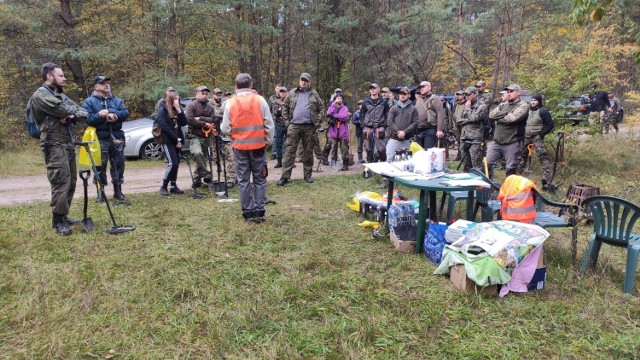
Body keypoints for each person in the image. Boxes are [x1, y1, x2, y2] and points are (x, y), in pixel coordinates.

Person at [30, 62, 88, 235]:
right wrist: (67, 113)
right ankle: (57, 221)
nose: (64, 78)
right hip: (53, 143)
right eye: (61, 75)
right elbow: (61, 108)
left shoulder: (60, 95)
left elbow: (83, 112)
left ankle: (64, 215)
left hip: (67, 143)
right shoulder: (40, 96)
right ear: (49, 76)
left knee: (71, 181)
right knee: (60, 181)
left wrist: (69, 115)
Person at [221, 73, 274, 223]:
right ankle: (259, 211)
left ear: (236, 87)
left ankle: (248, 212)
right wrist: (267, 141)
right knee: (259, 179)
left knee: (243, 180)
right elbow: (269, 124)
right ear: (251, 86)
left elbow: (225, 128)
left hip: (240, 147)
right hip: (258, 146)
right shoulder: (260, 100)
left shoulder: (230, 103)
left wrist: (234, 136)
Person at [83, 75, 130, 206]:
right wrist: (100, 115)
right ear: (96, 86)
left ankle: (118, 191)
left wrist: (113, 113)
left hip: (117, 137)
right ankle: (101, 192)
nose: (106, 85)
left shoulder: (117, 100)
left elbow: (125, 113)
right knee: (99, 166)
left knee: (119, 164)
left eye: (107, 82)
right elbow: (87, 119)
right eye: (102, 83)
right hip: (99, 138)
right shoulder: (89, 102)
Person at [277, 72, 324, 186]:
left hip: (309, 126)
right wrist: (288, 122)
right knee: (289, 151)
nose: (303, 82)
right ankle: (285, 176)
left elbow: (321, 108)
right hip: (294, 126)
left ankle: (307, 175)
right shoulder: (292, 93)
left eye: (306, 80)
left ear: (309, 82)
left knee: (308, 151)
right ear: (299, 81)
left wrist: (317, 121)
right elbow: (285, 108)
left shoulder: (314, 94)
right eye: (302, 80)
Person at [486, 84, 529, 179]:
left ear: (518, 93)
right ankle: (488, 188)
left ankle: (510, 192)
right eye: (508, 92)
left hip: (512, 143)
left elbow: (511, 119)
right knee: (486, 164)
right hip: (497, 142)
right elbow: (491, 115)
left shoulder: (523, 106)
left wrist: (498, 118)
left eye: (511, 91)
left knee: (511, 170)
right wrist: (503, 115)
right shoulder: (503, 105)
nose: (508, 94)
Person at [516, 93, 555, 190]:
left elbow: (550, 124)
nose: (533, 102)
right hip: (526, 136)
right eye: (532, 100)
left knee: (543, 157)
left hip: (537, 137)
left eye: (535, 100)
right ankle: (517, 176)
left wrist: (541, 134)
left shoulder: (543, 111)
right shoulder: (527, 110)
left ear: (539, 101)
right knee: (521, 155)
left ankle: (547, 180)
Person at [156, 90, 188, 196]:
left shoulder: (176, 110)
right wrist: (176, 139)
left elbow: (184, 123)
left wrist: (179, 109)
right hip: (168, 140)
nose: (177, 101)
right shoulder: (163, 110)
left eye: (178, 99)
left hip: (177, 140)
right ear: (170, 99)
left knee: (177, 163)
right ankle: (163, 186)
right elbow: (164, 127)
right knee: (172, 163)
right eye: (175, 99)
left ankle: (173, 186)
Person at [184, 85, 217, 188]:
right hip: (194, 136)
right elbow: (190, 120)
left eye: (206, 94)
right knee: (197, 153)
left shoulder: (210, 107)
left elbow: (213, 119)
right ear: (197, 93)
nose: (205, 96)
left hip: (207, 137)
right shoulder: (191, 106)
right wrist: (204, 124)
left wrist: (201, 119)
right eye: (203, 93)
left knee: (203, 159)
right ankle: (206, 174)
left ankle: (196, 181)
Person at [456, 87, 489, 172]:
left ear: (475, 94)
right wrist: (468, 120)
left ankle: (479, 183)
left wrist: (467, 109)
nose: (466, 96)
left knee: (476, 164)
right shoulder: (466, 104)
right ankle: (467, 182)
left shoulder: (482, 106)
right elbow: (458, 120)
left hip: (475, 138)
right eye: (465, 94)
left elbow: (474, 118)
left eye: (469, 94)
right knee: (466, 164)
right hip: (464, 136)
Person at [386, 87, 419, 161]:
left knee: (409, 161)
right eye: (401, 94)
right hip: (394, 138)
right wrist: (398, 132)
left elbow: (415, 122)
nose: (402, 96)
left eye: (404, 94)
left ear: (409, 95)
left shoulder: (413, 109)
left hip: (408, 139)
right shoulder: (393, 108)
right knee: (390, 159)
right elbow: (389, 122)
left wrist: (405, 132)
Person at [361, 83, 390, 163]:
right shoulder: (365, 102)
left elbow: (387, 115)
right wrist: (363, 125)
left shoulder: (384, 102)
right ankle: (370, 165)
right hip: (368, 127)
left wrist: (384, 126)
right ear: (369, 91)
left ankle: (383, 164)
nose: (373, 90)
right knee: (367, 147)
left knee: (381, 148)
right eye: (371, 89)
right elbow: (362, 115)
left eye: (374, 88)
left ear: (378, 89)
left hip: (379, 127)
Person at [415, 81, 445, 150]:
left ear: (429, 87)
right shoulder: (418, 100)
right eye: (420, 87)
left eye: (423, 87)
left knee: (428, 152)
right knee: (419, 152)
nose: (421, 89)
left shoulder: (435, 98)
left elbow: (440, 114)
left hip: (430, 129)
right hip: (419, 130)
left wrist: (439, 130)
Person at [326, 93, 351, 171]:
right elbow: (329, 113)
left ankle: (345, 165)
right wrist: (334, 106)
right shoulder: (332, 107)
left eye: (340, 98)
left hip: (343, 132)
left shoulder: (345, 108)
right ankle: (334, 165)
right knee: (333, 149)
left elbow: (344, 116)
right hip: (333, 132)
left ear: (342, 100)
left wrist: (335, 116)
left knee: (344, 149)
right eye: (337, 98)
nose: (338, 99)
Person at [271, 86, 288, 168]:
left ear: (286, 93)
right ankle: (279, 161)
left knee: (290, 144)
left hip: (289, 125)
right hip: (279, 126)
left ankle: (289, 161)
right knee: (278, 144)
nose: (282, 93)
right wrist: (282, 107)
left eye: (284, 92)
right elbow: (275, 112)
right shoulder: (276, 102)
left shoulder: (290, 101)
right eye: (281, 92)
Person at [451, 90, 466, 160]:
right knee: (458, 141)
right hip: (457, 125)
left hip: (463, 125)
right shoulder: (456, 104)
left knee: (463, 141)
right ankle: (459, 155)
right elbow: (453, 114)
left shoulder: (467, 104)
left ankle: (463, 156)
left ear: (463, 95)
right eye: (457, 95)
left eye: (459, 94)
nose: (458, 96)